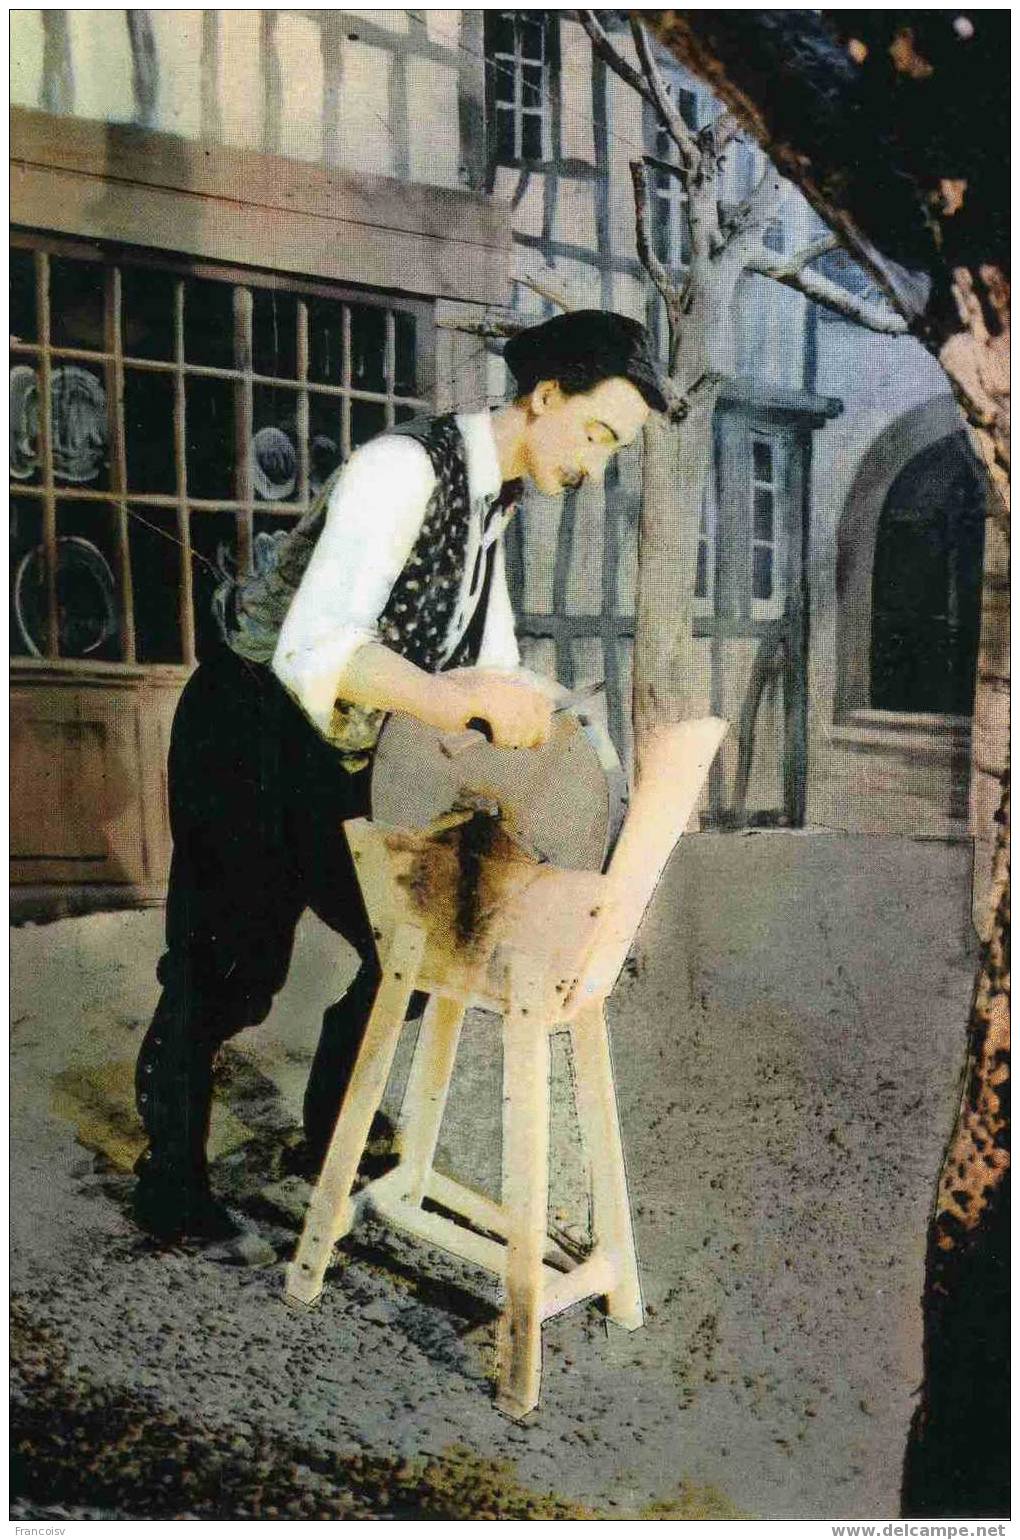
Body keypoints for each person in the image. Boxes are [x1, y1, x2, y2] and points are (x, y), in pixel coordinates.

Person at [132, 309, 668, 1242]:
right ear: (545, 397)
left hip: (337, 748)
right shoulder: (403, 469)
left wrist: (530, 717)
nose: (597, 464)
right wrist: (457, 704)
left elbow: (486, 660)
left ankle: (331, 1124)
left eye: (614, 449)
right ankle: (169, 1172)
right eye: (598, 434)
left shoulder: (492, 505)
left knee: (417, 935)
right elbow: (315, 648)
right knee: (234, 970)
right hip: (249, 726)